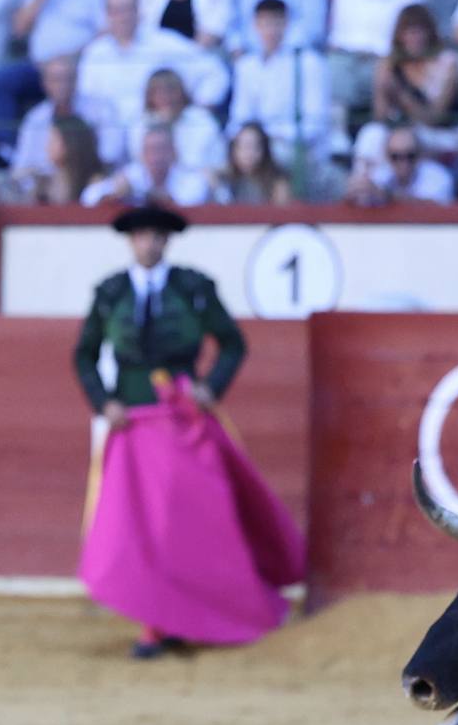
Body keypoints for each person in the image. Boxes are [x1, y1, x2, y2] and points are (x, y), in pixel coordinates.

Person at [73, 202, 297, 657]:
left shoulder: (193, 288)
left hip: (183, 423)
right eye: (141, 236)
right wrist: (104, 403)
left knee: (186, 524)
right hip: (132, 424)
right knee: (141, 526)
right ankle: (156, 622)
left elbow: (233, 343)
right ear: (131, 242)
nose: (149, 243)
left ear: (166, 241)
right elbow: (84, 354)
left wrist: (210, 387)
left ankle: (183, 616)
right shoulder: (110, 293)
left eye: (156, 236)